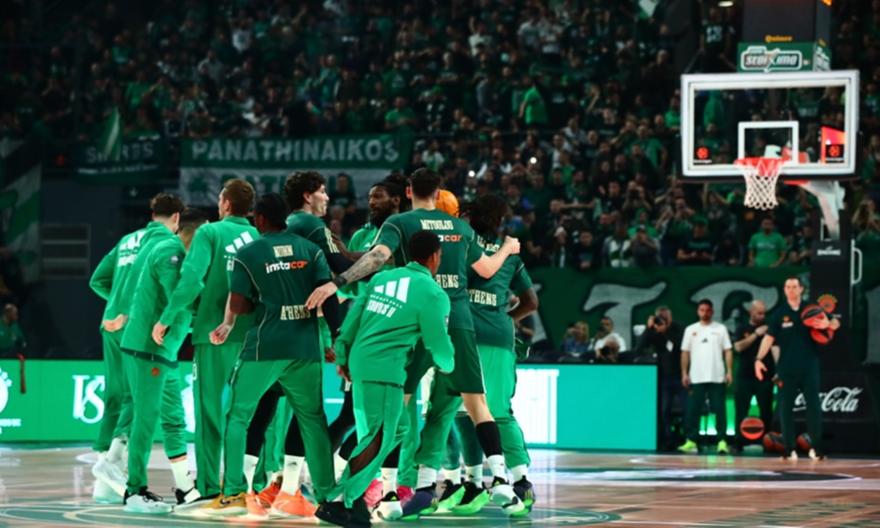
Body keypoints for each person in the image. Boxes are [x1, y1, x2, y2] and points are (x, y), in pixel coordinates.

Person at [304, 168, 523, 519]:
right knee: (476, 405)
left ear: (408, 192)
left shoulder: (398, 230)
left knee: (395, 418)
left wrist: (339, 282)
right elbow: (485, 271)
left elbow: (376, 259)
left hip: (406, 329)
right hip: (457, 320)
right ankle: (498, 478)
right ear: (439, 192)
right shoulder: (460, 228)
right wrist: (509, 248)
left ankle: (387, 491)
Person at [202, 193, 339, 517]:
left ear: (260, 219)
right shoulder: (311, 250)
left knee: (238, 416)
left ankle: (234, 492)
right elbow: (328, 296)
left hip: (265, 347)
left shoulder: (249, 253)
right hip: (305, 348)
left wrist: (231, 320)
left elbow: (239, 302)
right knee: (313, 421)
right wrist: (335, 339)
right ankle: (327, 496)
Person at [316, 231, 455, 527]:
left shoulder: (382, 278)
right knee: (377, 438)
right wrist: (451, 366)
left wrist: (343, 354)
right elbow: (439, 345)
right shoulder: (433, 293)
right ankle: (338, 500)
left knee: (397, 430)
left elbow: (354, 318)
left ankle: (349, 498)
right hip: (384, 370)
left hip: (361, 363)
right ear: (435, 257)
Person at [152, 179, 259, 502]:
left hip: (213, 334)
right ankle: (254, 483)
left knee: (209, 410)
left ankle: (211, 486)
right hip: (253, 335)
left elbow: (192, 280)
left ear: (225, 203)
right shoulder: (259, 237)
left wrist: (167, 318)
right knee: (249, 414)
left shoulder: (209, 233)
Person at [444, 194, 539, 516]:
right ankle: (521, 480)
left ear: (468, 216)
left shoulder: (458, 246)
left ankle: (471, 482)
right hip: (497, 336)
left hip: (462, 334)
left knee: (460, 410)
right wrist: (505, 320)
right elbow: (531, 302)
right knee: (497, 411)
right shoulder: (509, 253)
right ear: (499, 221)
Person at [87, 193, 186, 503]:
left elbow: (97, 280)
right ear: (177, 218)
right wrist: (130, 313)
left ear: (152, 213)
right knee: (136, 397)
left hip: (110, 323)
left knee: (115, 395)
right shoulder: (164, 244)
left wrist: (114, 307)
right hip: (136, 325)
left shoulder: (128, 239)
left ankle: (104, 481)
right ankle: (112, 463)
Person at [118, 208, 207, 513]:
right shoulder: (171, 252)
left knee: (174, 419)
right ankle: (134, 491)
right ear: (196, 233)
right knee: (146, 419)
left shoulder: (180, 254)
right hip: (148, 349)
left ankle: (185, 487)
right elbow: (177, 297)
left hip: (164, 351)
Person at [755, 277, 838, 460]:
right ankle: (789, 449)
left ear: (801, 289)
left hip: (809, 366)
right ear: (784, 290)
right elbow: (768, 338)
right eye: (788, 287)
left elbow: (835, 323)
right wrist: (758, 359)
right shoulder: (779, 313)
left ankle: (816, 449)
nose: (791, 290)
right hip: (786, 368)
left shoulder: (812, 309)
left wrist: (828, 324)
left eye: (794, 286)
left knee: (814, 407)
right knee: (785, 408)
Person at [678, 299, 733, 454]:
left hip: (717, 376)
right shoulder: (690, 329)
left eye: (707, 310)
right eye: (702, 310)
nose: (705, 313)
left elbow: (728, 351)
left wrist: (729, 371)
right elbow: (685, 352)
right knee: (693, 410)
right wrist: (684, 373)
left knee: (719, 410)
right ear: (698, 311)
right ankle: (691, 441)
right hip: (696, 377)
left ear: (712, 311)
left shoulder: (721, 329)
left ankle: (722, 441)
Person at [636, 307, 685, 450]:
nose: (663, 320)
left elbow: (680, 345)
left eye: (665, 317)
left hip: (680, 375)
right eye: (660, 317)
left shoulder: (678, 328)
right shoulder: (654, 331)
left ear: (670, 317)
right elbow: (639, 348)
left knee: (686, 408)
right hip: (664, 377)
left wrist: (666, 332)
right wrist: (648, 328)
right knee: (664, 410)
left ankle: (687, 438)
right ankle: (667, 439)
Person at [733, 300, 776, 452]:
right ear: (751, 312)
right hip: (744, 375)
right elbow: (738, 347)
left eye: (764, 313)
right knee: (741, 410)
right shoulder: (742, 328)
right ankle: (738, 442)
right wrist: (756, 334)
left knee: (766, 411)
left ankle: (768, 442)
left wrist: (777, 371)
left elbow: (775, 348)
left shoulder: (770, 328)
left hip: (765, 376)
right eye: (759, 313)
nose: (762, 316)